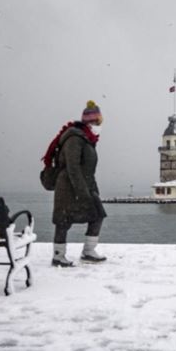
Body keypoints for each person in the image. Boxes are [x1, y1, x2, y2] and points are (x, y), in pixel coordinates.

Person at [42, 100, 107, 267]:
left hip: (84, 184)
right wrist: (82, 191)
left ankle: (88, 252)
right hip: (69, 186)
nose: (100, 125)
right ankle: (58, 256)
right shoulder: (75, 138)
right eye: (99, 122)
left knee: (97, 215)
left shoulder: (87, 139)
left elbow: (87, 169)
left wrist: (93, 188)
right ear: (91, 122)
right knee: (63, 220)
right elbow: (73, 167)